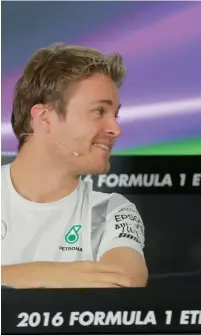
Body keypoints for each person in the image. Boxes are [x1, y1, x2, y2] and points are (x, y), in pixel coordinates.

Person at [1, 43, 148, 288]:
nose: (115, 129)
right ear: (44, 118)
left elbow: (123, 283)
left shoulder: (112, 209)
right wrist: (47, 274)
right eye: (99, 111)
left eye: (115, 115)